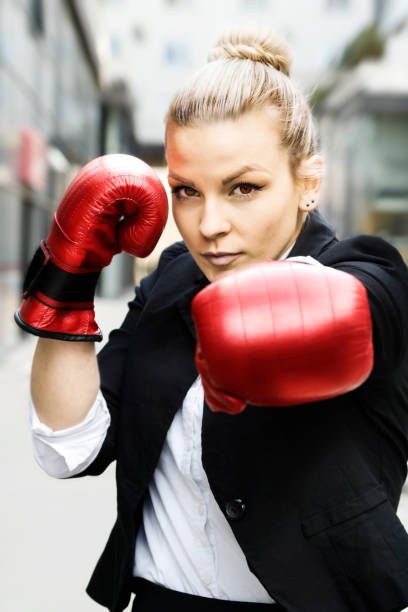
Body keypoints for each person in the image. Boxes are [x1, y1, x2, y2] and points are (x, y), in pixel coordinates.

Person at [15, 28, 408, 612]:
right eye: (187, 191)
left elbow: (368, 308)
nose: (209, 224)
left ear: (308, 182)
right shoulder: (172, 279)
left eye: (243, 188)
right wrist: (67, 285)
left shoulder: (365, 273)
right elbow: (72, 447)